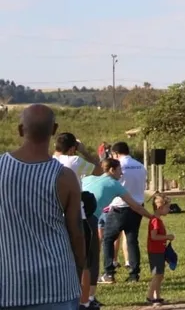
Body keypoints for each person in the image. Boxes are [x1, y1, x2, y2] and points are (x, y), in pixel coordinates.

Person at [0, 104, 84, 310]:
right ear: (54, 130)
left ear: (20, 130)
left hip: (9, 286)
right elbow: (77, 234)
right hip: (57, 285)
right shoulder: (65, 177)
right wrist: (78, 273)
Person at [82, 159, 153, 307]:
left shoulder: (87, 178)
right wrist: (152, 217)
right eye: (120, 170)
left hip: (72, 218)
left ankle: (76, 296)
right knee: (92, 260)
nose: (122, 173)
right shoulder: (115, 185)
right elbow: (135, 206)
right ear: (112, 170)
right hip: (89, 220)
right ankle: (90, 298)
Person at [53, 132, 103, 310]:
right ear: (72, 148)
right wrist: (85, 151)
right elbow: (99, 169)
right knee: (84, 262)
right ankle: (84, 301)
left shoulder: (48, 162)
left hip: (55, 218)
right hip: (77, 217)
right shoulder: (73, 161)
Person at [100, 141, 148, 283]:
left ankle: (109, 272)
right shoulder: (140, 166)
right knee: (132, 240)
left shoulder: (117, 167)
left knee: (108, 239)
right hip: (137, 206)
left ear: (115, 154)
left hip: (119, 206)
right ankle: (134, 273)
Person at [146, 194, 174, 306]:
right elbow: (154, 236)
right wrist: (167, 237)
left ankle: (157, 296)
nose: (169, 209)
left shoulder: (158, 220)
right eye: (167, 207)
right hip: (155, 251)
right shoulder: (155, 221)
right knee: (157, 275)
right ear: (159, 208)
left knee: (160, 275)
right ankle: (150, 296)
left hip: (160, 250)